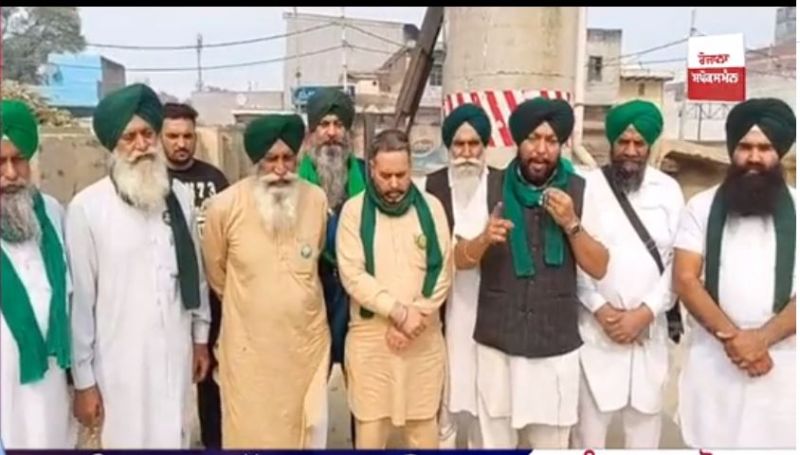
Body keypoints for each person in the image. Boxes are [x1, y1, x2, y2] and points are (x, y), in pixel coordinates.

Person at [454, 97, 609, 449]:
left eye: (551, 141)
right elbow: (459, 258)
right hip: (498, 348)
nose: (541, 150)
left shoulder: (580, 191)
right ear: (518, 141)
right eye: (533, 139)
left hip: (554, 350)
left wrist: (571, 223)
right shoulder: (489, 187)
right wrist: (483, 239)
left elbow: (599, 266)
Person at [66, 83, 211, 449]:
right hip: (119, 365)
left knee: (176, 436)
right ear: (113, 145)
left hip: (175, 353)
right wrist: (84, 381)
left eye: (148, 133)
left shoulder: (177, 196)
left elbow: (195, 271)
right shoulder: (87, 208)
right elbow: (81, 303)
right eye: (129, 137)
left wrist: (199, 339)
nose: (142, 145)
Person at [201, 114, 331, 449]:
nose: (281, 168)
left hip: (305, 347)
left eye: (288, 158)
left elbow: (315, 254)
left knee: (307, 430)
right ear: (256, 161)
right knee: (251, 434)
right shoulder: (224, 206)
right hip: (250, 352)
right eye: (271, 159)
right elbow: (217, 272)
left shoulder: (316, 199)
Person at [674, 97, 796, 449]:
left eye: (765, 148)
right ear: (732, 150)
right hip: (715, 361)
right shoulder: (701, 207)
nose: (754, 157)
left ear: (780, 152)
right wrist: (736, 340)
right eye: (745, 147)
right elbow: (685, 279)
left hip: (784, 365)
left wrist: (760, 341)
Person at [572, 100, 684, 449]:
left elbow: (678, 262)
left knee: (644, 438)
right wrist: (601, 309)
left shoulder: (669, 191)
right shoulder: (586, 187)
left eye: (639, 143)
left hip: (648, 333)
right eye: (623, 141)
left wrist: (645, 312)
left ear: (650, 146)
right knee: (588, 438)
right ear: (612, 143)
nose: (631, 151)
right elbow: (575, 256)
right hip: (596, 333)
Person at [336, 129, 454, 449]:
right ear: (372, 168)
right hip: (373, 341)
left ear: (411, 168)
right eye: (385, 175)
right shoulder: (354, 212)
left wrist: (415, 317)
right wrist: (399, 313)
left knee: (424, 431)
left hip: (422, 336)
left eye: (401, 175)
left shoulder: (431, 208)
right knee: (371, 431)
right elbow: (352, 274)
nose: (393, 184)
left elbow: (443, 269)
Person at [0, 100, 75, 449]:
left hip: (51, 383)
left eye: (19, 160)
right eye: (0, 161)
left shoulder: (53, 213)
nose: (11, 174)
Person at [423, 103, 496, 449]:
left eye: (473, 144)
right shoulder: (432, 185)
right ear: (449, 147)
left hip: (491, 306)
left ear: (484, 146)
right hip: (448, 309)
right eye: (459, 145)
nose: (466, 153)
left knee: (488, 401)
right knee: (446, 397)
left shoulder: (501, 183)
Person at [160, 102, 229, 449]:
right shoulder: (152, 181)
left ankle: (213, 442)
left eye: (188, 136)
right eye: (173, 136)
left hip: (212, 295)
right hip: (170, 295)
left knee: (211, 378)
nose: (181, 143)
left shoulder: (215, 179)